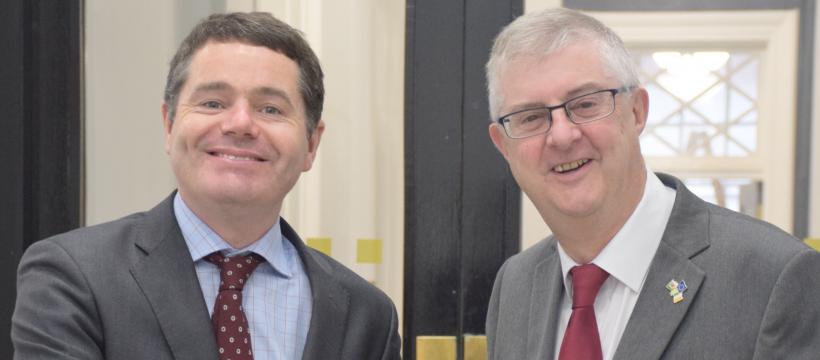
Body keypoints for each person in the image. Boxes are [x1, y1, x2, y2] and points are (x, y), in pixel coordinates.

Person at [12, 12, 400, 360]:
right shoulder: (74, 277)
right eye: (213, 103)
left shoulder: (367, 316)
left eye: (271, 109)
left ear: (311, 145)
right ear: (169, 126)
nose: (240, 124)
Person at [484, 8, 820, 360]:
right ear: (504, 145)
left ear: (637, 112)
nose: (562, 135)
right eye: (531, 117)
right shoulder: (515, 284)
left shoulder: (772, 277)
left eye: (585, 104)